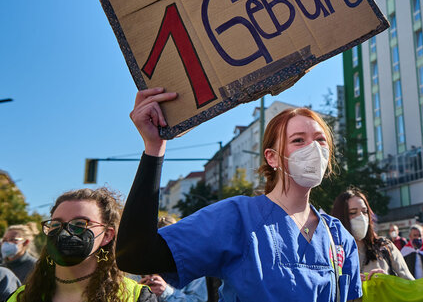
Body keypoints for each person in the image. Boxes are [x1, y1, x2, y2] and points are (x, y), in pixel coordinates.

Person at [115, 88, 362, 302]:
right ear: (272, 157)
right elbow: (136, 256)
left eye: (321, 141)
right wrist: (154, 148)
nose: (313, 149)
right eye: (298, 140)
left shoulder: (338, 237)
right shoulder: (236, 218)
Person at [6, 188, 155, 302]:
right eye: (56, 224)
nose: (64, 233)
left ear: (107, 235)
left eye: (79, 224)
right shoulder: (21, 297)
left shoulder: (136, 297)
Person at [331, 188, 414, 280]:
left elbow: (409, 284)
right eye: (353, 213)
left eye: (364, 212)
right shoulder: (331, 252)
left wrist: (387, 280)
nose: (361, 217)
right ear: (340, 217)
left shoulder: (384, 247)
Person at [138, 216, 208, 302]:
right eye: (158, 244)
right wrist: (139, 290)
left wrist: (166, 292)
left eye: (167, 242)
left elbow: (198, 300)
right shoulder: (139, 268)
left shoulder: (193, 268)